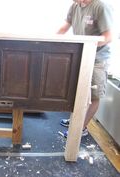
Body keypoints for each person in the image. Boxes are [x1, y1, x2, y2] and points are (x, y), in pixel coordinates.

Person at [57, 0, 113, 138]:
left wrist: (88, 47)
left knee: (94, 96)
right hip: (81, 55)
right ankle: (76, 121)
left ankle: (81, 128)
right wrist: (48, 42)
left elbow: (108, 37)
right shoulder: (75, 6)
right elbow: (64, 28)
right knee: (78, 91)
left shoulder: (100, 7)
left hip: (97, 59)